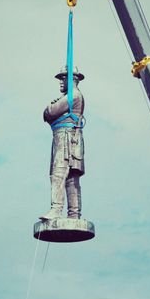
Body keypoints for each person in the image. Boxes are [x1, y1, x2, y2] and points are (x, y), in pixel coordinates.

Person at [40, 67, 85, 220]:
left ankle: (56, 209)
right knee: (71, 178)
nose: (60, 81)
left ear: (73, 79)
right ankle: (74, 214)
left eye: (63, 78)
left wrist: (49, 109)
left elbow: (50, 112)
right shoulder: (71, 96)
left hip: (66, 138)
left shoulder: (74, 95)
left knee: (59, 173)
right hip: (69, 137)